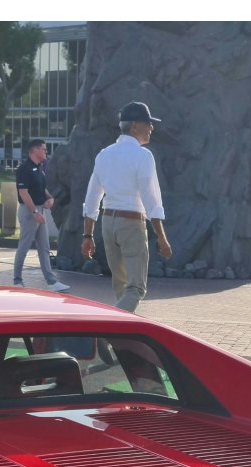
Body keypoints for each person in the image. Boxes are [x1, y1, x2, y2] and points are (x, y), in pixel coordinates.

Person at [81, 101, 172, 312]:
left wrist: (87, 236)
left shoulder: (104, 154)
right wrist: (161, 237)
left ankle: (123, 338)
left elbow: (93, 197)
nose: (151, 128)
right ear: (134, 127)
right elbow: (152, 201)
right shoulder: (143, 156)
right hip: (131, 224)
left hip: (108, 223)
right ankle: (107, 331)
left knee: (121, 287)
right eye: (147, 123)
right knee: (136, 288)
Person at [11, 139, 70, 292]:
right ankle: (17, 280)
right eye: (44, 149)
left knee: (44, 247)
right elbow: (23, 194)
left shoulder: (40, 168)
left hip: (39, 211)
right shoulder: (24, 169)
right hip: (29, 212)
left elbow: (42, 189)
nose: (46, 152)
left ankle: (51, 282)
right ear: (35, 150)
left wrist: (49, 198)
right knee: (24, 246)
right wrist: (35, 212)